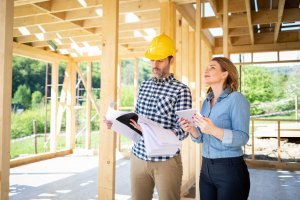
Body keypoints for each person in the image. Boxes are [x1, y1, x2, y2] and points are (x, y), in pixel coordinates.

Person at [104, 33, 192, 200]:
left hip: (166, 160)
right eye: (152, 60)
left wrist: (152, 131)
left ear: (171, 60)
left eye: (159, 60)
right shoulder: (144, 86)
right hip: (138, 156)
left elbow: (183, 131)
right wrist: (116, 123)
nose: (155, 64)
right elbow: (136, 120)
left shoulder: (181, 90)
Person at [179, 57, 250, 200]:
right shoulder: (206, 102)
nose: (206, 70)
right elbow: (202, 138)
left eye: (212, 67)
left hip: (230, 170)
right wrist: (192, 129)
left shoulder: (236, 99)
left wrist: (213, 130)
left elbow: (243, 137)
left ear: (225, 74)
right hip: (206, 169)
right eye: (206, 67)